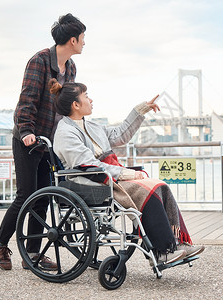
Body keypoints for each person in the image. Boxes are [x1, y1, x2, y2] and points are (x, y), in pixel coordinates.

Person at [51, 79, 205, 264]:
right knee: (146, 189)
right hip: (89, 181)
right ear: (76, 104)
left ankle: (175, 243)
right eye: (86, 96)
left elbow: (120, 134)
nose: (91, 100)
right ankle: (163, 250)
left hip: (106, 176)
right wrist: (127, 174)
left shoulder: (91, 126)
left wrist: (141, 110)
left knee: (159, 185)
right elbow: (88, 166)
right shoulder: (65, 133)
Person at [0, 13, 86, 271]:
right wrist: (27, 131)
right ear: (73, 39)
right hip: (28, 139)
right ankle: (0, 242)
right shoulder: (40, 61)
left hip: (50, 141)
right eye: (83, 38)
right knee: (26, 196)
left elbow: (66, 106)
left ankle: (32, 253)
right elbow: (27, 101)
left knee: (43, 197)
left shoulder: (71, 68)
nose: (85, 43)